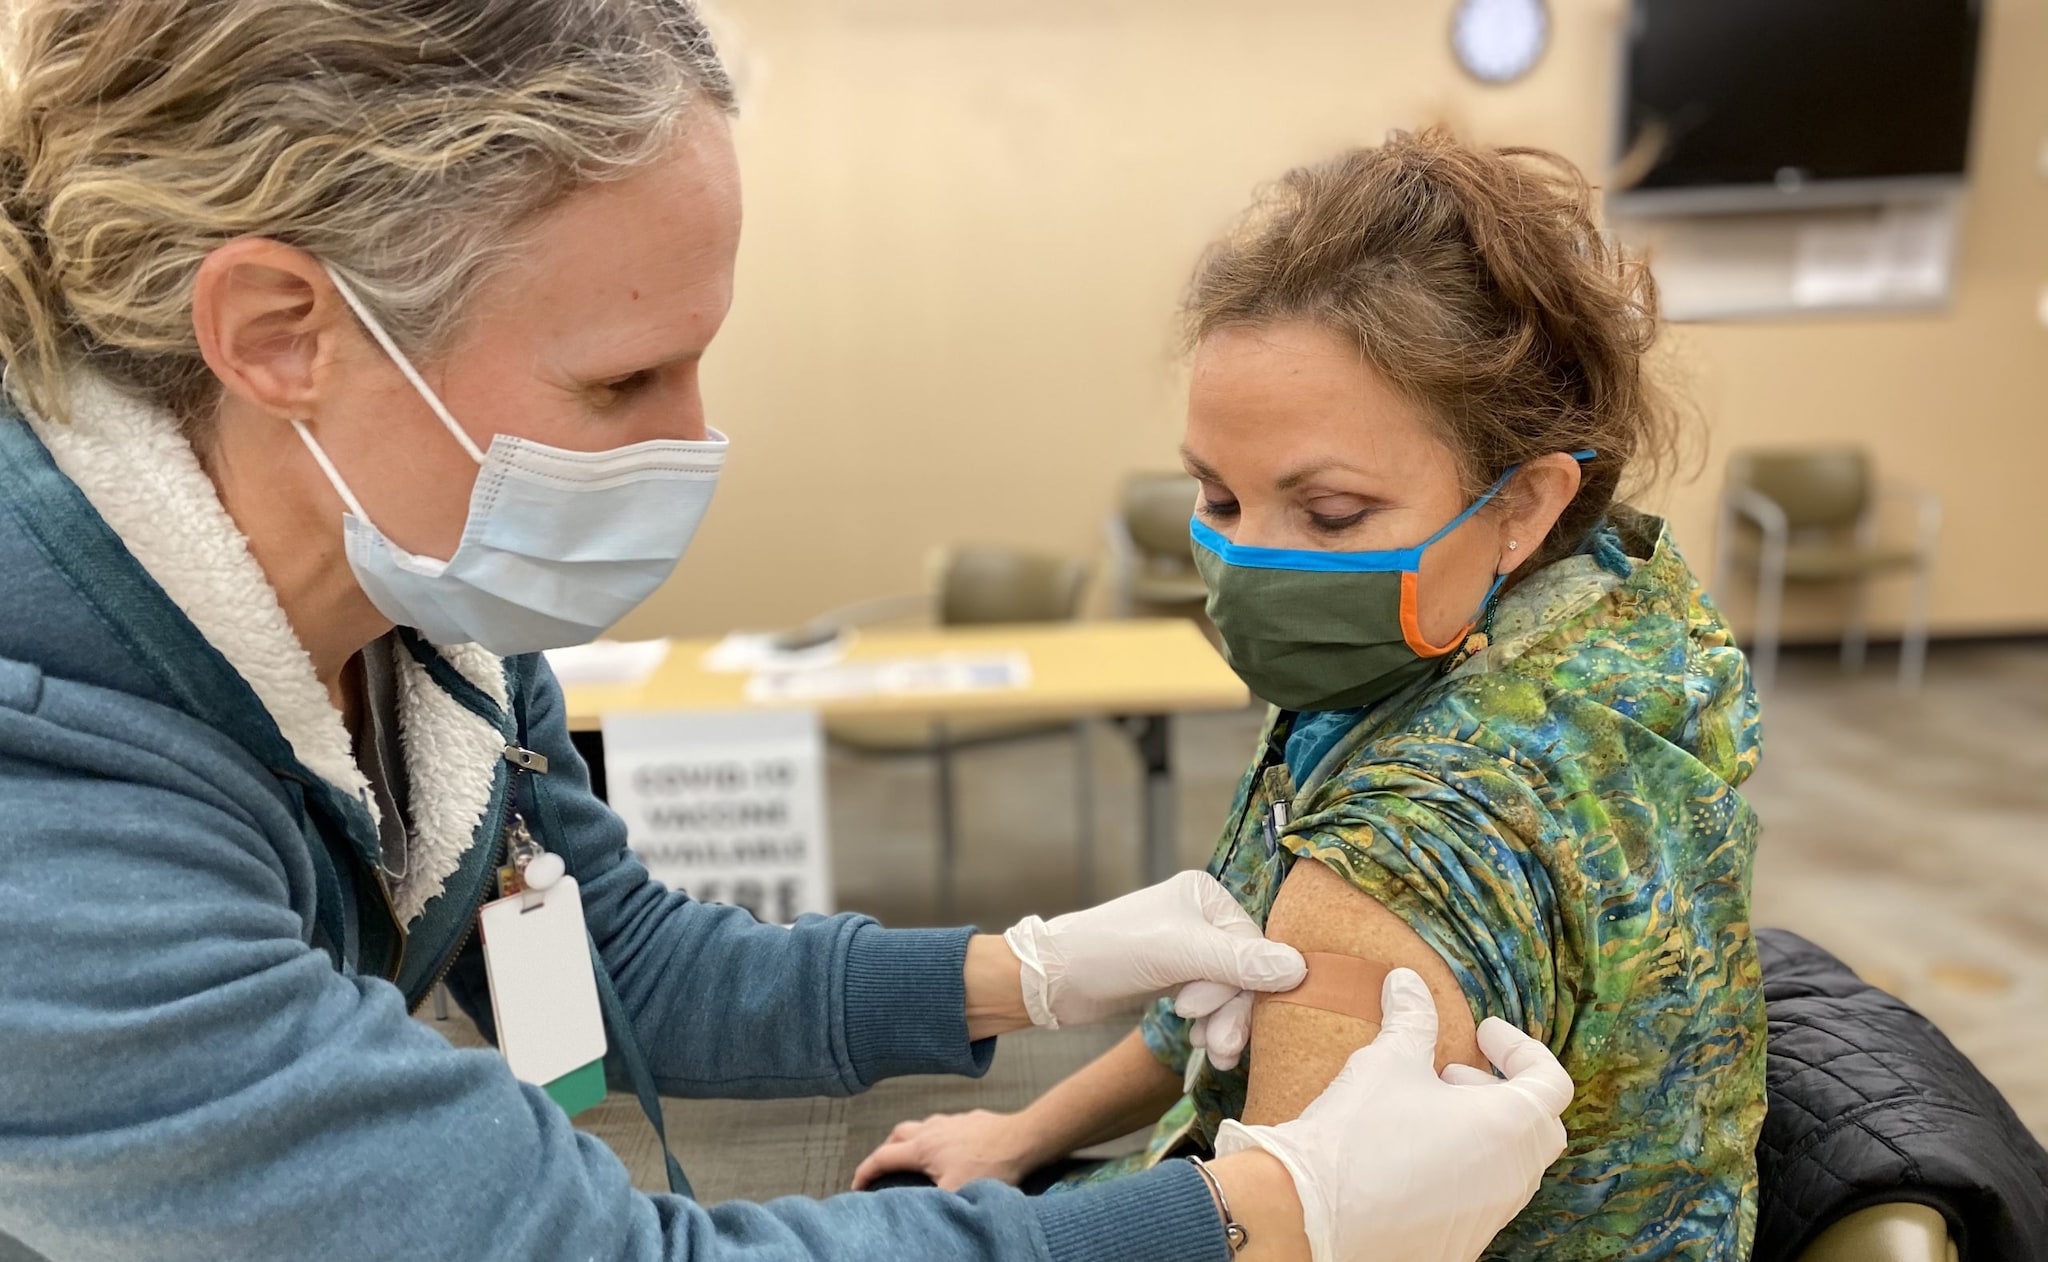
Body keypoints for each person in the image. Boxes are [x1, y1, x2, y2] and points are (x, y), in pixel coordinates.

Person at [0, 6, 1575, 1262]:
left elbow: (615, 962)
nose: (691, 442)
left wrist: (1019, 973)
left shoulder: (415, 602)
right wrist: (1265, 1218)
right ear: (281, 333)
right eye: (620, 384)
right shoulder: (49, 832)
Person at [857, 132, 1768, 1259]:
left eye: (1329, 515)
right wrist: (1018, 1133)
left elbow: (1269, 1226)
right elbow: (1201, 1015)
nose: (1251, 561)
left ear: (1523, 503)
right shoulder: (1540, 629)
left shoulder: (1412, 839)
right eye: (1216, 495)